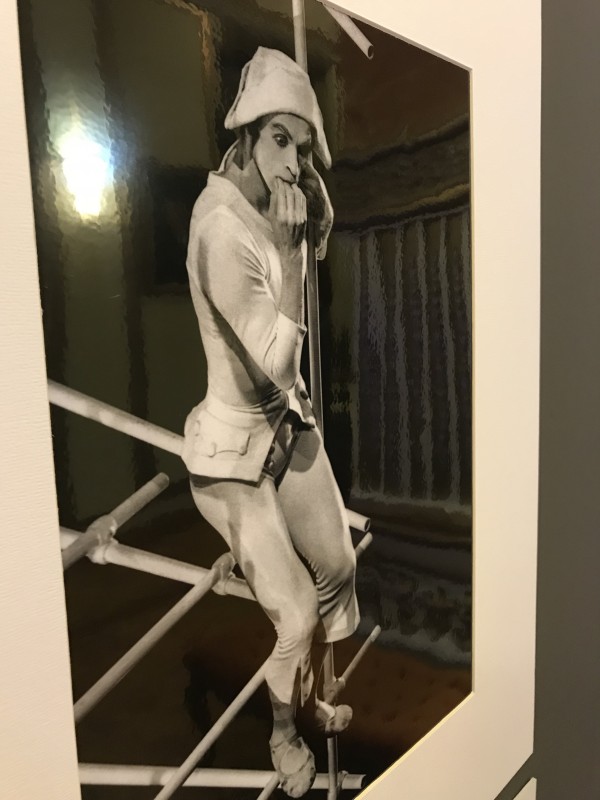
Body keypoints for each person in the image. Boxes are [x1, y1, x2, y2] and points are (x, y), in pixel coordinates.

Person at [182, 47, 359, 798]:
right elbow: (279, 365)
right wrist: (292, 247)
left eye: (303, 146)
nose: (293, 162)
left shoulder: (277, 195)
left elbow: (286, 381)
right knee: (294, 612)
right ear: (248, 135)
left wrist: (314, 223)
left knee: (339, 567)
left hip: (282, 428)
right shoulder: (221, 229)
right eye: (280, 140)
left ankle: (310, 696)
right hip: (230, 456)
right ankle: (284, 730)